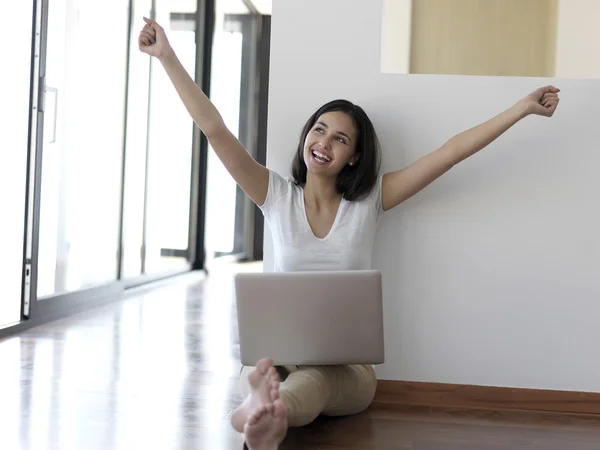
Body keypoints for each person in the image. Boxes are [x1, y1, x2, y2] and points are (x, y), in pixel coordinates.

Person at [138, 17, 561, 450]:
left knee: (315, 381)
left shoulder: (371, 200)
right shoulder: (275, 195)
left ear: (354, 157)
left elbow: (451, 153)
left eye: (340, 138)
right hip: (281, 357)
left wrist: (522, 108)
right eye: (319, 129)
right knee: (260, 369)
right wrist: (168, 57)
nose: (324, 141)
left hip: (350, 369)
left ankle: (267, 412)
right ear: (306, 136)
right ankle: (264, 408)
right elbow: (215, 129)